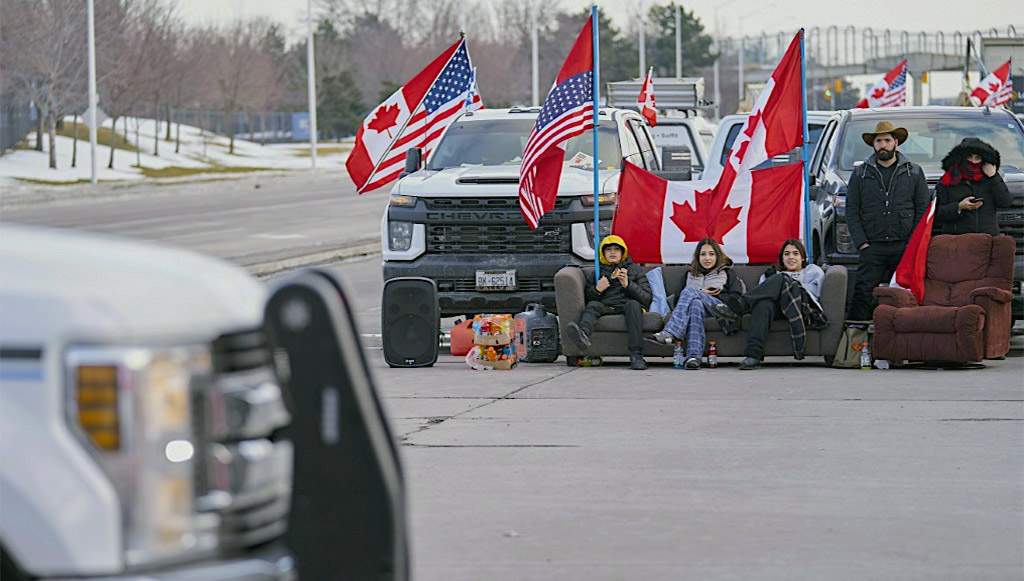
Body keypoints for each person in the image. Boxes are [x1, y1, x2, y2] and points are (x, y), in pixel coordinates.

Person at [845, 121, 930, 321]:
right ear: (873, 144)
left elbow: (922, 209)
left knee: (906, 295)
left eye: (887, 140)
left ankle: (905, 340)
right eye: (879, 141)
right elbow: (851, 210)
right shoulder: (860, 173)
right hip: (872, 246)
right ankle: (855, 342)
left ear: (896, 143)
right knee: (863, 294)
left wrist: (912, 243)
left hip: (903, 246)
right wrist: (862, 243)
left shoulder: (914, 172)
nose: (883, 145)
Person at [712, 239, 827, 370]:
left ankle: (738, 307)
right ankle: (754, 355)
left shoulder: (812, 271)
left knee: (783, 279)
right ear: (782, 258)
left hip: (802, 308)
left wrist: (787, 283)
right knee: (763, 304)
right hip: (779, 310)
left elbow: (814, 293)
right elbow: (761, 295)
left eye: (795, 254)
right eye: (787, 254)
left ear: (802, 258)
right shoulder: (771, 275)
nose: (791, 257)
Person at [644, 238, 743, 370]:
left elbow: (736, 298)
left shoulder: (727, 273)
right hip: (697, 310)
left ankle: (671, 332)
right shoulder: (689, 274)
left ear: (718, 256)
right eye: (703, 254)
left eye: (711, 254)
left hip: (720, 310)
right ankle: (693, 357)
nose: (707, 258)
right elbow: (678, 300)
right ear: (698, 257)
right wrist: (700, 293)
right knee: (696, 304)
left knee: (691, 291)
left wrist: (710, 295)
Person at [564, 235, 653, 370]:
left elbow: (647, 298)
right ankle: (583, 335)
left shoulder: (634, 270)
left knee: (633, 305)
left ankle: (636, 355)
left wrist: (628, 285)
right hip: (608, 306)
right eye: (608, 249)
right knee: (593, 306)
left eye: (616, 249)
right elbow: (588, 298)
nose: (612, 252)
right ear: (603, 253)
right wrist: (597, 289)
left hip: (629, 306)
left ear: (622, 253)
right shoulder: (597, 272)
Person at [933, 137, 1012, 235]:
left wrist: (994, 177)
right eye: (969, 157)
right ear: (961, 158)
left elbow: (1005, 203)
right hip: (956, 240)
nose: (973, 161)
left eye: (977, 158)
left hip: (987, 239)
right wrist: (959, 207)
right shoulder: (948, 180)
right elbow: (936, 213)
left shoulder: (990, 180)